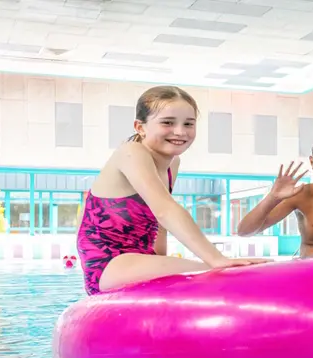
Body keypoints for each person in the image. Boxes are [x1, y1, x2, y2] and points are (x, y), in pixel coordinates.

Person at [76, 85, 269, 295]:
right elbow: (165, 210)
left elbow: (159, 223)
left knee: (213, 272)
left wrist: (161, 261)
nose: (180, 131)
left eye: (189, 124)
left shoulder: (172, 164)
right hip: (109, 265)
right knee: (220, 273)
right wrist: (217, 259)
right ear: (140, 127)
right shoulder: (131, 152)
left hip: (140, 259)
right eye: (168, 123)